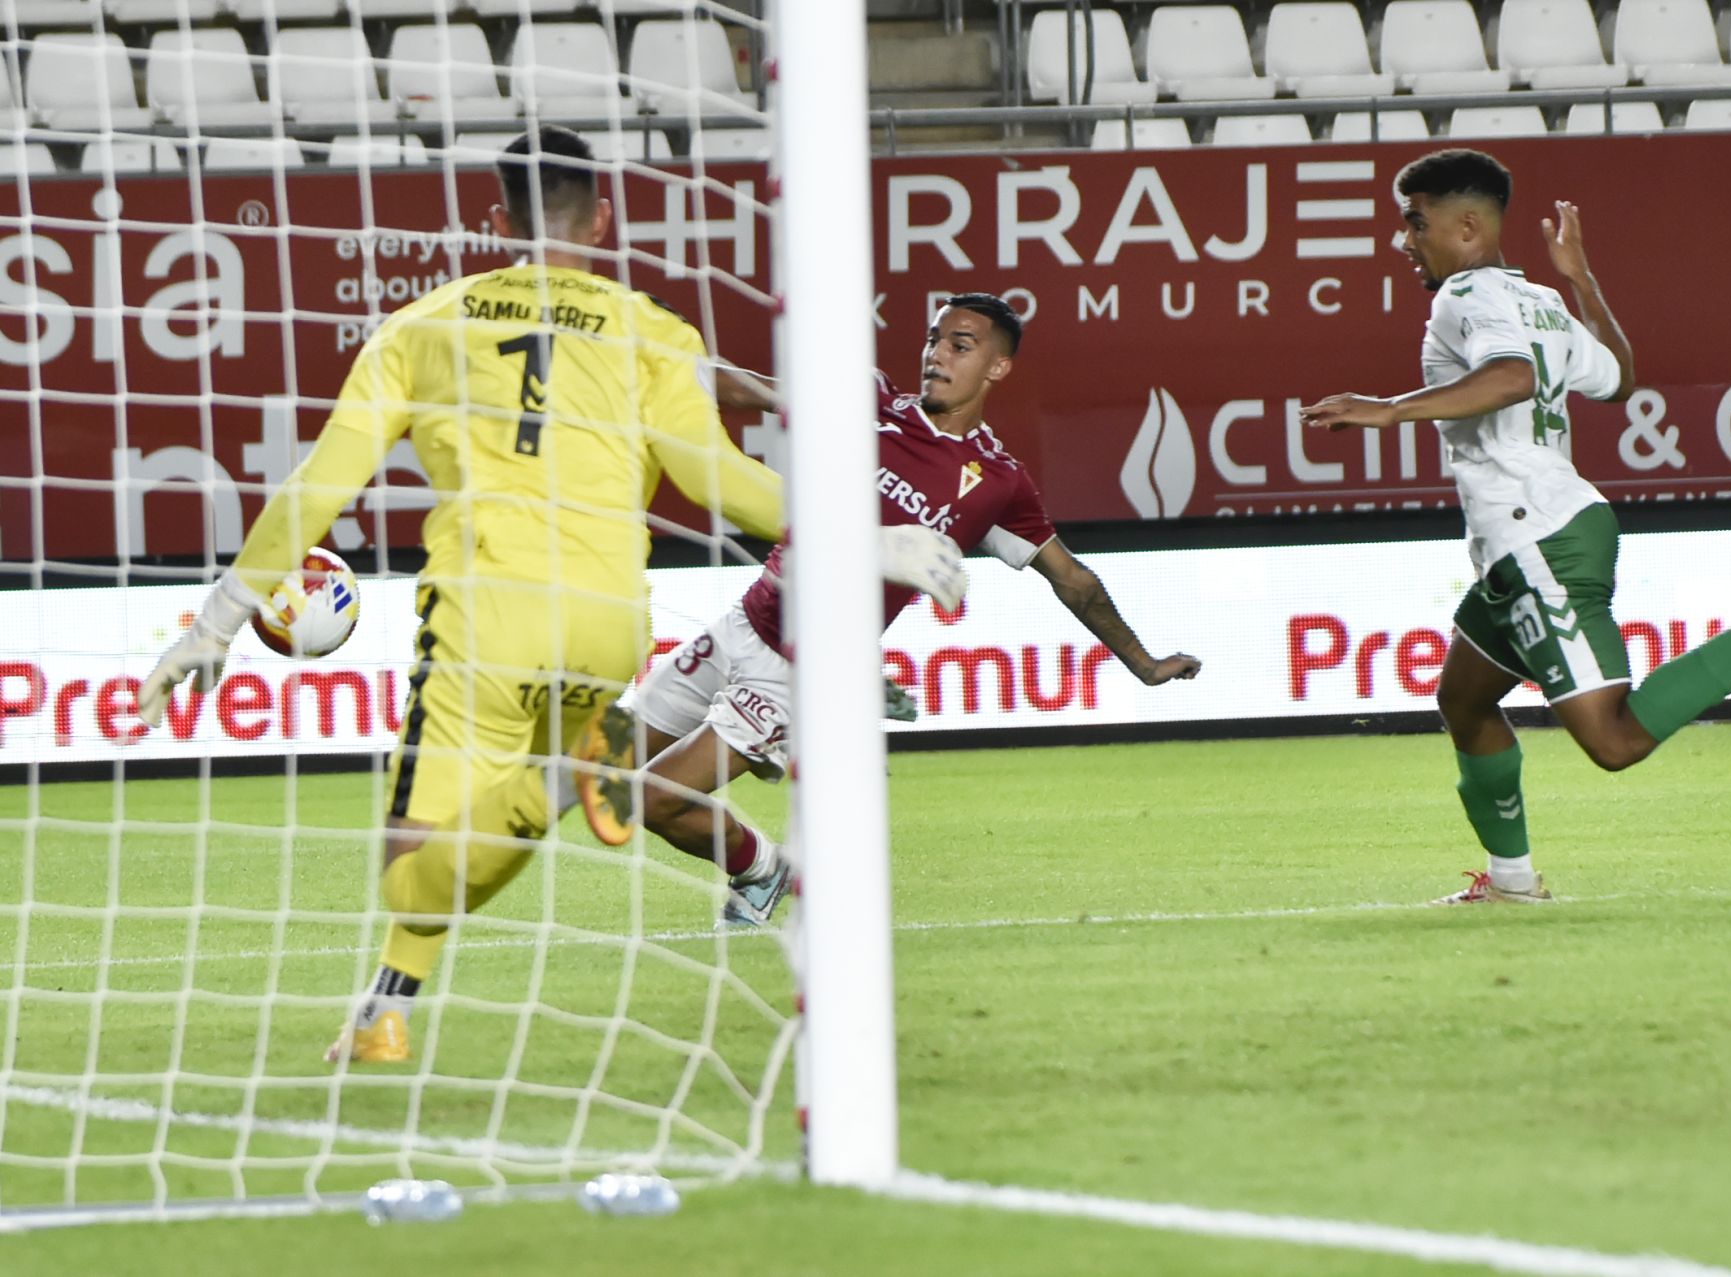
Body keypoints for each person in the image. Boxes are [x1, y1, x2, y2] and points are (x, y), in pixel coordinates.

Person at [139, 127, 803, 1066]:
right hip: (614, 623)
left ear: (497, 221)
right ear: (604, 217)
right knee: (482, 826)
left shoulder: (423, 327)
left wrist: (219, 620)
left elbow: (319, 489)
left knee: (413, 859)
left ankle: (556, 785)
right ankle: (381, 1014)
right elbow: (726, 484)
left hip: (488, 615)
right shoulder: (653, 331)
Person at [1302, 149, 1731, 906]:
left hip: (1536, 537)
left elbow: (1512, 376)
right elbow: (1618, 373)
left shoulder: (1462, 297)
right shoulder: (1541, 297)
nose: (1403, 239)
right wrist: (1582, 280)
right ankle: (1512, 881)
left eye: (1415, 222)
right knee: (1465, 701)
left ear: (1468, 226)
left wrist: (1387, 408)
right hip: (1538, 532)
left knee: (1611, 741)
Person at [570, 293, 1204, 926]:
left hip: (798, 669)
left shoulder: (998, 482)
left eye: (961, 345)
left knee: (651, 801)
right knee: (602, 773)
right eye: (934, 339)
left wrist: (1143, 663)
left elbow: (1074, 581)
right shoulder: (870, 405)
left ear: (996, 368)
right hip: (744, 620)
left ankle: (764, 869)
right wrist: (655, 365)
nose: (936, 355)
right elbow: (756, 390)